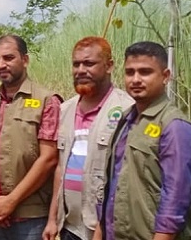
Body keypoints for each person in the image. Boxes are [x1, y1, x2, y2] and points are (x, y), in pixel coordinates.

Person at [94, 42, 191, 240]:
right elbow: (112, 185)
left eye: (145, 72)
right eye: (130, 72)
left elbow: (175, 200)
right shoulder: (126, 119)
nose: (136, 79)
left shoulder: (175, 126)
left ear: (165, 76)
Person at [0, 34, 62, 240]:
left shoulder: (46, 101)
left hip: (31, 217)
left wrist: (11, 202)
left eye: (9, 58)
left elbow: (49, 159)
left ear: (25, 60)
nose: (1, 64)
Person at [42, 37, 133, 240]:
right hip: (69, 227)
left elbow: (124, 180)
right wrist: (52, 220)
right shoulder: (65, 110)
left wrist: (102, 229)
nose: (81, 70)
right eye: (76, 64)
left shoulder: (127, 109)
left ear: (109, 66)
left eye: (89, 63)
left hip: (105, 230)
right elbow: (60, 168)